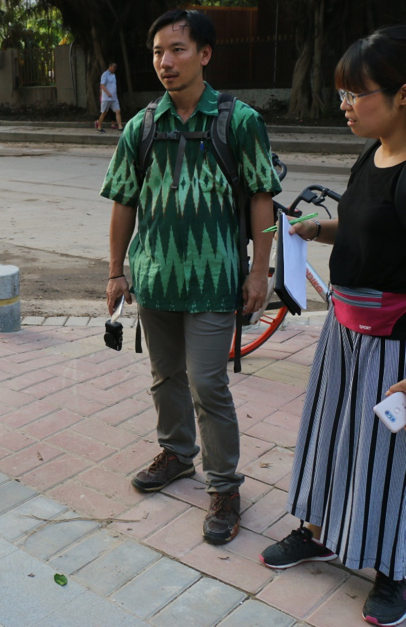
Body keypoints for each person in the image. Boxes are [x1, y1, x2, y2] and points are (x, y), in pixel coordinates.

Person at [100, 9, 281, 545]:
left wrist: (259, 271)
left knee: (208, 383)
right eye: (158, 51)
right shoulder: (141, 126)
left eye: (177, 49)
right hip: (155, 280)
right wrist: (117, 271)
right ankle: (177, 453)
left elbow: (261, 198)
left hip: (213, 280)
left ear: (204, 54)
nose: (165, 61)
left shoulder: (238, 121)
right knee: (164, 377)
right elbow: (122, 203)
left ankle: (224, 485)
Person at [259, 27, 406, 626]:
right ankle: (318, 529)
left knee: (390, 462)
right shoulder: (370, 153)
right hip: (344, 334)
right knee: (332, 437)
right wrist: (318, 231)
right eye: (341, 93)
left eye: (356, 93)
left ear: (403, 96)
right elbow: (364, 228)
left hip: (395, 345)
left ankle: (395, 573)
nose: (344, 104)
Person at [96, 62, 123, 133]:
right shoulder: (105, 75)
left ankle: (120, 126)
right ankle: (99, 126)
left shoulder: (113, 75)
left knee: (118, 111)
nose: (115, 68)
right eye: (114, 67)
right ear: (110, 66)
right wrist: (107, 93)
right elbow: (102, 85)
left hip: (114, 97)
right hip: (107, 98)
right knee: (104, 112)